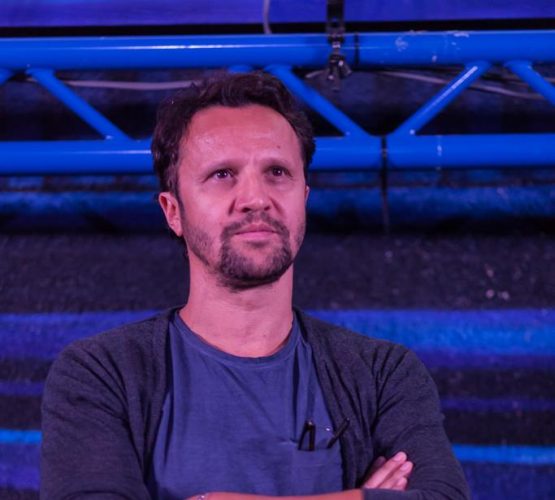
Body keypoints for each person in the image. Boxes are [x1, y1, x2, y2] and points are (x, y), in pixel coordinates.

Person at [41, 72, 470, 500]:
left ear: (304, 197)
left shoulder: (382, 374)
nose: (256, 198)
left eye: (277, 172)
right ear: (173, 212)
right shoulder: (102, 373)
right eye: (222, 174)